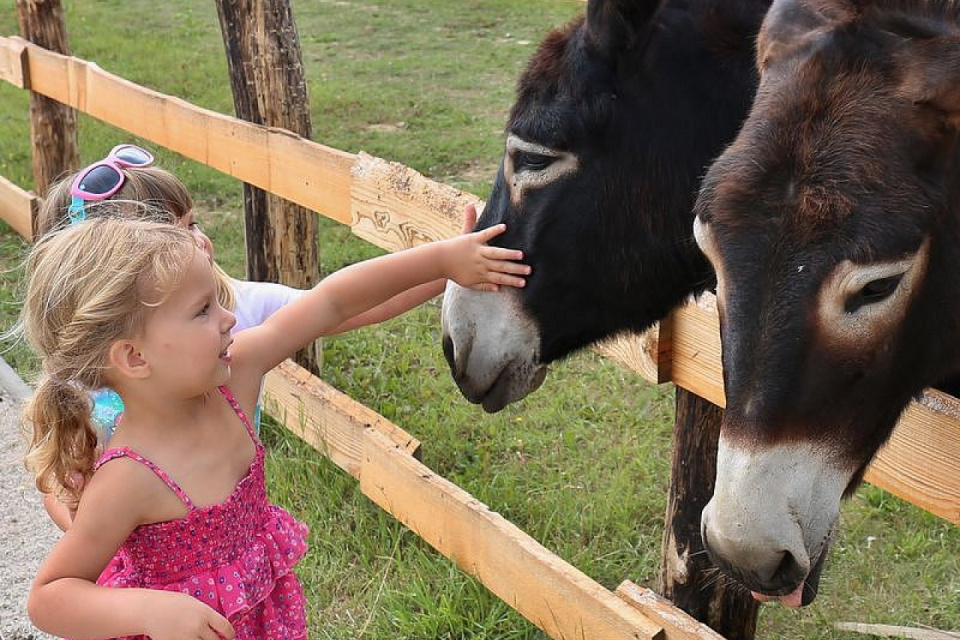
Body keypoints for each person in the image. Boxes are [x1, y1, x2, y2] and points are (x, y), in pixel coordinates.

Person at [19, 215, 528, 639]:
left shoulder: (238, 375)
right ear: (133, 357)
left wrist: (443, 261)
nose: (227, 319)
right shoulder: (128, 478)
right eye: (202, 310)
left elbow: (331, 301)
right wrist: (148, 610)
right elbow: (50, 596)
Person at [36, 143, 495, 532]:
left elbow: (341, 304)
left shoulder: (234, 309)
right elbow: (59, 487)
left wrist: (448, 269)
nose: (198, 244)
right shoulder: (88, 376)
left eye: (192, 225)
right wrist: (102, 526)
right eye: (173, 238)